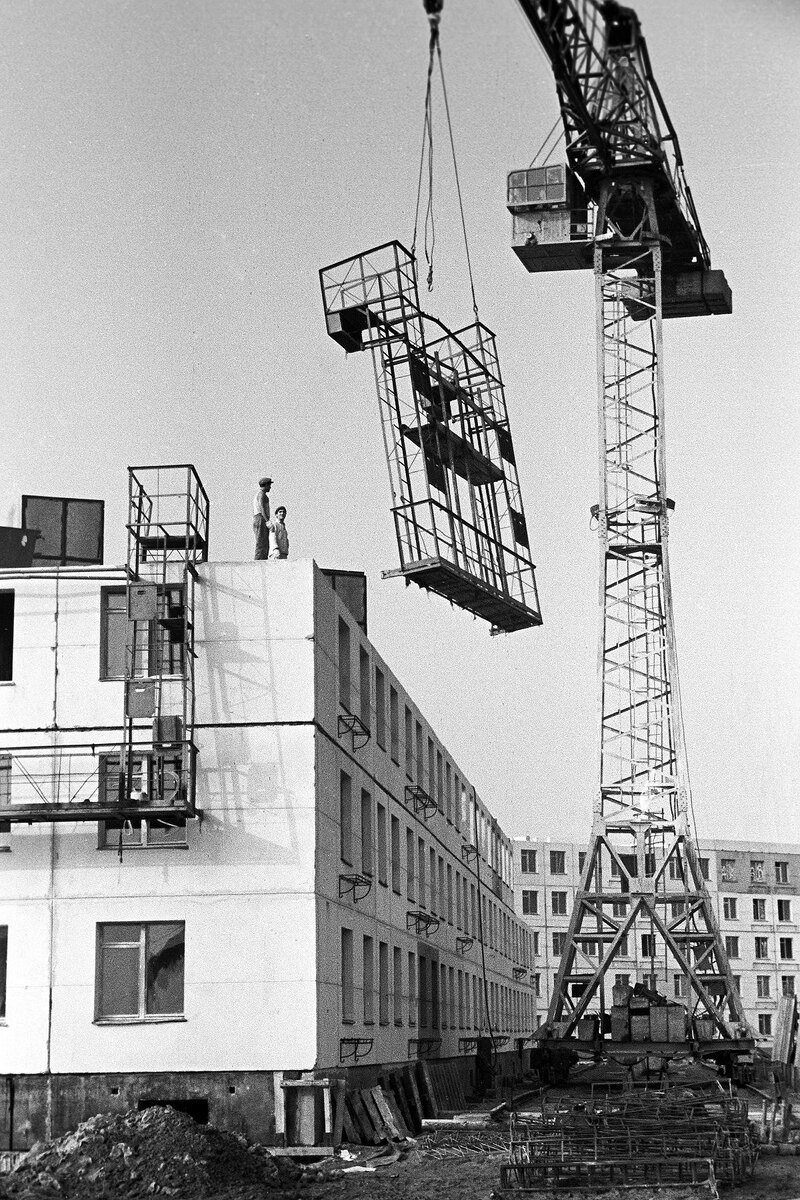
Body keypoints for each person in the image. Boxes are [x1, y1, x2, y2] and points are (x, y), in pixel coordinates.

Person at [253, 477, 272, 560]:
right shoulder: (261, 494)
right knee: (261, 542)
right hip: (261, 518)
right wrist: (267, 520)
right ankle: (258, 561)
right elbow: (262, 507)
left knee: (264, 542)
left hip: (259, 518)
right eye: (269, 485)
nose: (270, 487)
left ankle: (262, 559)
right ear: (266, 485)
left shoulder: (261, 494)